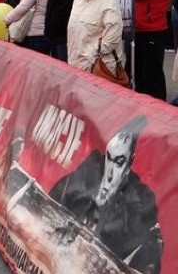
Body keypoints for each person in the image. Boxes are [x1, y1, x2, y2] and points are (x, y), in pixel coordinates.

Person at [49, 115, 162, 274]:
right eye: (109, 158)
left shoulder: (140, 201)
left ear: (129, 164)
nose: (109, 174)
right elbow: (53, 200)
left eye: (119, 162)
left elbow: (149, 254)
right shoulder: (90, 171)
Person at [66, 0, 125, 74]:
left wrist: (92, 56)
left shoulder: (108, 2)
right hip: (76, 63)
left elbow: (112, 37)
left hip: (99, 66)